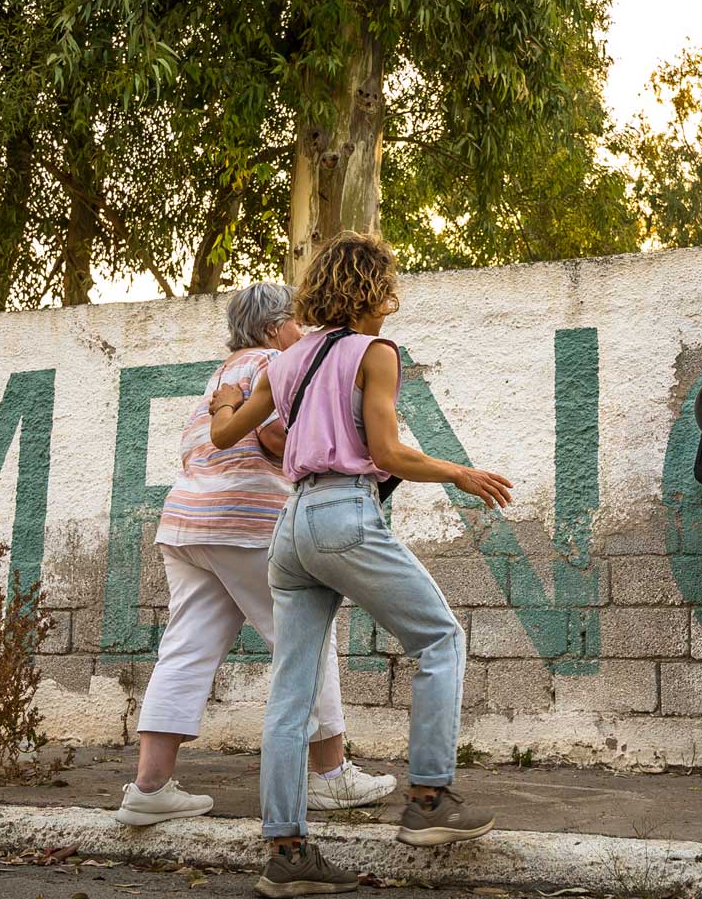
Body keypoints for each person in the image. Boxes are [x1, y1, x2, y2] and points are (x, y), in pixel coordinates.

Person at [211, 232, 513, 898]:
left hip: (290, 529)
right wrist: (461, 474)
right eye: (388, 291)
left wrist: (224, 401)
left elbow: (226, 434)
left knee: (291, 693)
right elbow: (389, 450)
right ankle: (430, 802)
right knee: (439, 638)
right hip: (343, 515)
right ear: (371, 292)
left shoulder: (285, 362)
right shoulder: (374, 354)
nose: (392, 304)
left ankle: (287, 851)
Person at [113, 283, 398, 828]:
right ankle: (331, 777)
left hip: (187, 523)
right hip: (248, 524)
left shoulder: (220, 375)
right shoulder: (277, 361)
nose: (306, 329)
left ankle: (149, 787)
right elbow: (274, 435)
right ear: (274, 328)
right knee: (308, 638)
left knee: (187, 649)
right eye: (296, 320)